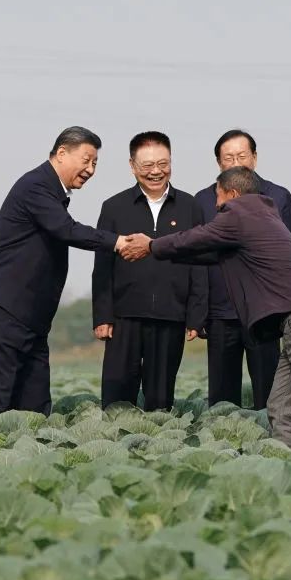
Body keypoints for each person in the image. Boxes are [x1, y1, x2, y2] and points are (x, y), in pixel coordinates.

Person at [120, 166, 291, 450]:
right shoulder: (262, 215)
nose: (216, 206)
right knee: (280, 409)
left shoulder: (239, 213)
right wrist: (160, 255)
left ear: (232, 194)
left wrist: (152, 245)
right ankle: (288, 463)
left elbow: (195, 238)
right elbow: (206, 253)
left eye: (218, 199)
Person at [0, 126, 130, 415]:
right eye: (86, 160)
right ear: (61, 153)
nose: (91, 169)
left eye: (95, 163)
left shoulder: (52, 192)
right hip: (4, 309)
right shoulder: (36, 186)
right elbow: (66, 230)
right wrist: (117, 242)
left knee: (35, 406)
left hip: (31, 319)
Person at [92, 131, 206, 410]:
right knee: (117, 391)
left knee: (160, 397)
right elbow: (102, 267)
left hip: (171, 315)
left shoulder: (190, 206)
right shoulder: (114, 207)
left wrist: (196, 315)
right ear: (132, 166)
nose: (156, 172)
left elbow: (200, 264)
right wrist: (102, 315)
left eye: (163, 164)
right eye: (147, 166)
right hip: (124, 316)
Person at [194, 129, 291, 410]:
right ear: (218, 163)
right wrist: (198, 311)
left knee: (270, 394)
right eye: (228, 157)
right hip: (220, 312)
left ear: (254, 158)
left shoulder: (279, 197)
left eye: (242, 155)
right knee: (221, 397)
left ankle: (272, 444)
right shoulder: (203, 201)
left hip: (264, 313)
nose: (236, 162)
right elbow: (194, 258)